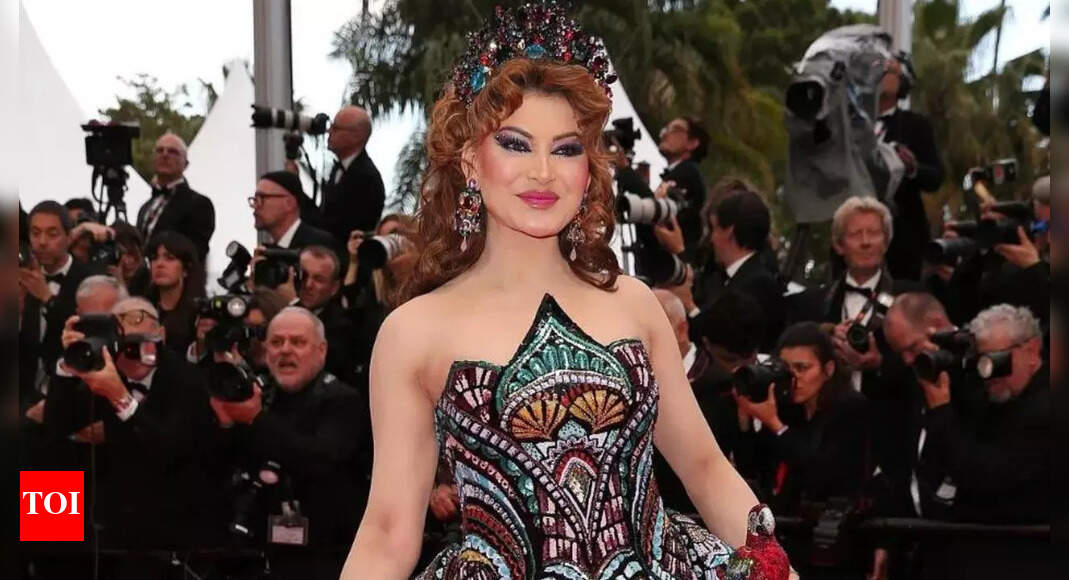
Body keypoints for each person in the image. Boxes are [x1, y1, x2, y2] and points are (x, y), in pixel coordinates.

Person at [342, 4, 792, 578]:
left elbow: (705, 469)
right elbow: (387, 532)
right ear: (470, 160)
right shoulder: (413, 332)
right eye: (515, 144)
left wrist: (779, 567)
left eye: (565, 148)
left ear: (588, 167)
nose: (543, 172)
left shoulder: (634, 303)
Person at [55, 298, 224, 576]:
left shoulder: (188, 380)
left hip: (174, 521)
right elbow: (56, 427)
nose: (130, 344)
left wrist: (120, 397)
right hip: (110, 514)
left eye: (138, 322)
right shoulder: (100, 370)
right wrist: (67, 365)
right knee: (43, 467)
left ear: (161, 335)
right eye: (120, 332)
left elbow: (171, 449)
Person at [210, 307, 370, 580]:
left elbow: (319, 459)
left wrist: (256, 419)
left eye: (297, 342)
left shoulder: (342, 400)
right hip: (259, 554)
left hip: (327, 556)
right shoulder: (259, 396)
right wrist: (226, 423)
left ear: (321, 350)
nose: (285, 350)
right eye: (276, 342)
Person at [914, 304, 1052, 579]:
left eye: (996, 359)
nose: (986, 371)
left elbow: (986, 475)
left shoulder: (1047, 408)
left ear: (1032, 351)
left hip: (1026, 559)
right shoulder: (994, 398)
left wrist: (941, 411)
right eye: (980, 359)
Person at [734, 322, 871, 577]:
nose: (794, 378)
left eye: (803, 368)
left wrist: (776, 425)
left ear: (828, 369)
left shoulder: (850, 408)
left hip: (833, 541)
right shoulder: (787, 409)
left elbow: (822, 471)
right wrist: (745, 420)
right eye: (787, 369)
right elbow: (753, 468)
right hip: (788, 537)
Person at [18, 202, 96, 415]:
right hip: (24, 399)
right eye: (35, 233)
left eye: (52, 234)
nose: (42, 242)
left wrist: (47, 297)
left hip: (72, 401)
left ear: (69, 237)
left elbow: (87, 337)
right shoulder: (23, 277)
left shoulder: (90, 279)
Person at [876, 54, 943, 281]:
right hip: (855, 229)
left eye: (889, 71)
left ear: (903, 83)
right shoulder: (850, 124)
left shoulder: (916, 125)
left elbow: (935, 178)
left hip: (903, 238)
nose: (880, 74)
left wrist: (913, 168)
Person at [698, 187, 785, 349]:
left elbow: (723, 336)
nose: (711, 239)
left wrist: (690, 307)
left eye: (715, 228)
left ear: (729, 232)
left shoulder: (759, 284)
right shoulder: (721, 279)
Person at [135, 132, 216, 261]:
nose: (165, 155)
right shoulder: (145, 207)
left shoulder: (199, 204)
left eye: (172, 152)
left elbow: (195, 254)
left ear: (186, 163)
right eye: (160, 150)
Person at [320, 105, 386, 245]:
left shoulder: (367, 178)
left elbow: (339, 227)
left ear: (357, 136)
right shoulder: (340, 168)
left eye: (336, 128)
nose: (328, 131)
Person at [295, 245, 356, 383]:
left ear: (334, 288)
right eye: (303, 275)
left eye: (318, 279)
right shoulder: (277, 310)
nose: (308, 284)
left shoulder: (344, 327)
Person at [144, 231, 206, 355]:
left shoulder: (198, 314)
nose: (159, 264)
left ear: (185, 269)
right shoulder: (143, 308)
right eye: (154, 258)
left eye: (170, 258)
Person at [658, 115, 709, 259]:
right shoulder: (681, 172)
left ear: (692, 143)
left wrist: (627, 172)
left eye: (675, 130)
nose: (665, 134)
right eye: (666, 129)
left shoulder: (687, 173)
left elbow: (659, 217)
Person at [252, 170, 339, 250]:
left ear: (289, 203)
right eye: (255, 199)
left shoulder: (319, 246)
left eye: (262, 198)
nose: (255, 205)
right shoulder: (269, 251)